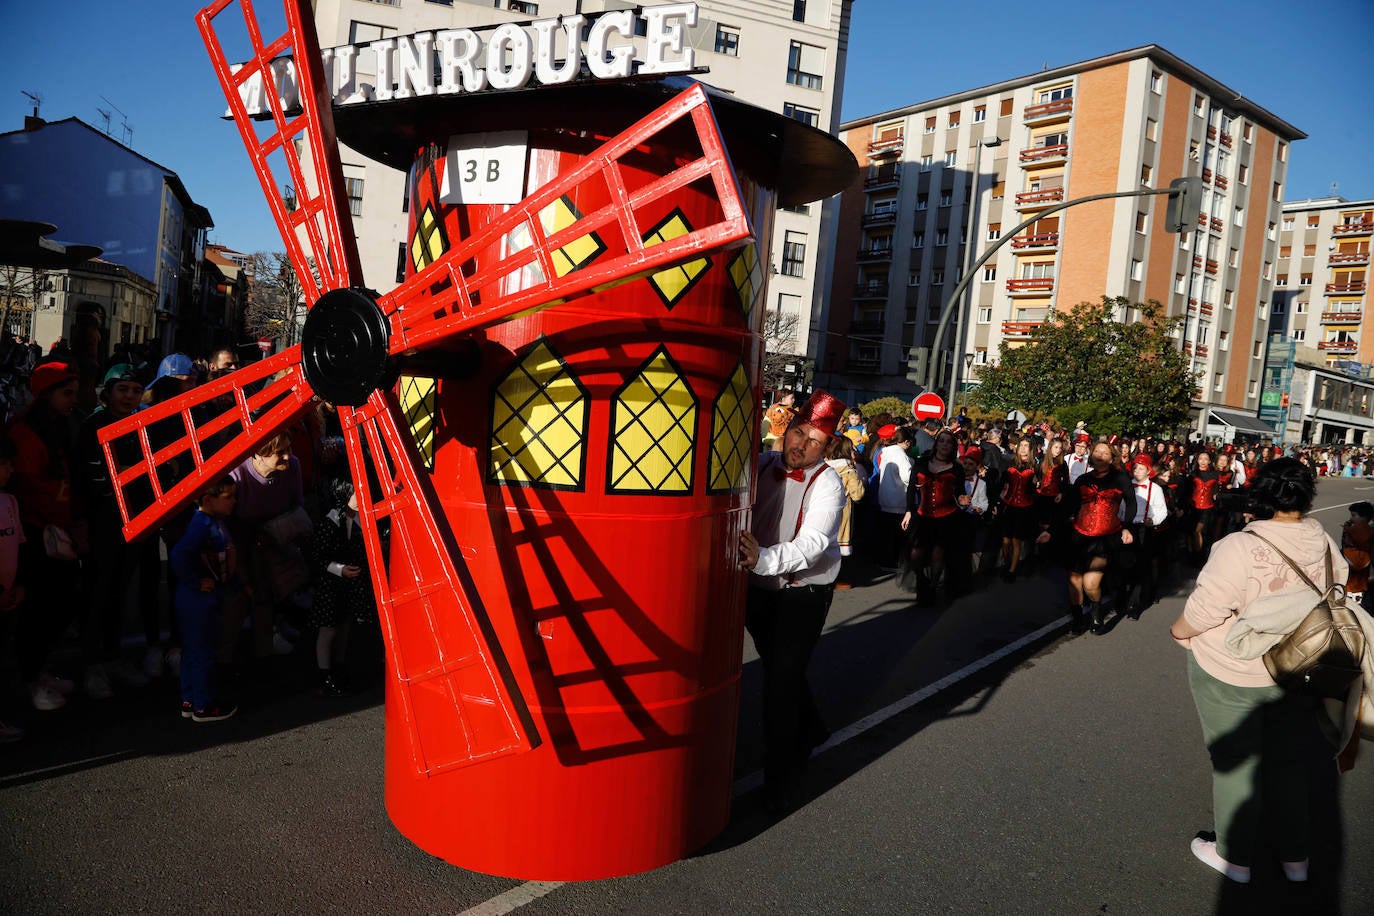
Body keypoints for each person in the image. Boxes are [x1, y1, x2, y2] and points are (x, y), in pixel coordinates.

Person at [1170, 457, 1343, 885]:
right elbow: (1339, 590)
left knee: (1234, 762)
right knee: (1288, 762)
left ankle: (1234, 856)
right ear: (1305, 497)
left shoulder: (1238, 547)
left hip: (1235, 669)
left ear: (1259, 496)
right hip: (1297, 667)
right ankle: (1295, 857)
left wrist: (1180, 633)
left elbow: (1204, 610)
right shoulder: (1322, 542)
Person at [737, 390, 846, 813]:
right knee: (782, 668)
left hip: (803, 593)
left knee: (779, 684)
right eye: (798, 433)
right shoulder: (763, 464)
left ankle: (779, 779)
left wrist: (763, 558)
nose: (800, 444)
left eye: (814, 441)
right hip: (757, 587)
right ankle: (814, 727)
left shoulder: (829, 483)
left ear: (828, 446)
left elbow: (816, 543)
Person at [9, 361, 86, 711]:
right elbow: (28, 487)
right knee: (39, 611)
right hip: (36, 533)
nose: (73, 399)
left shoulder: (59, 425)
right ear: (46, 395)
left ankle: (37, 671)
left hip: (56, 530)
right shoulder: (25, 434)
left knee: (60, 604)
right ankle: (28, 680)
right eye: (66, 393)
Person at [1041, 441, 1133, 635]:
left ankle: (1096, 613)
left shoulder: (1120, 478)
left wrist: (1127, 527)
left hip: (1105, 538)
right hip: (1078, 536)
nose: (1100, 454)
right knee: (1074, 580)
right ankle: (1077, 620)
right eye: (1097, 450)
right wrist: (1051, 530)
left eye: (1105, 452)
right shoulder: (1083, 479)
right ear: (1092, 455)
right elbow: (1067, 506)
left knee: (1091, 584)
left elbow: (1131, 503)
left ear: (1111, 457)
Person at [170, 477, 242, 722]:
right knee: (203, 652)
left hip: (196, 599)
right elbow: (179, 555)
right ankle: (203, 705)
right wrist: (196, 582)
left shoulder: (208, 521)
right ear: (209, 500)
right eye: (229, 497)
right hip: (198, 601)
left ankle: (190, 699)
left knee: (193, 651)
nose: (234, 501)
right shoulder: (202, 525)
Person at [309, 478, 376, 695]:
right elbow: (317, 556)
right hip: (331, 584)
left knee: (345, 625)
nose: (362, 497)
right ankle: (323, 674)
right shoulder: (330, 522)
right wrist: (340, 569)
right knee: (328, 629)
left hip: (350, 583)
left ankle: (338, 666)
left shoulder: (357, 519)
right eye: (357, 493)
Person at [824, 435, 866, 590]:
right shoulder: (848, 470)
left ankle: (824, 577)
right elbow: (858, 494)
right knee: (842, 546)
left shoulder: (823, 466)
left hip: (824, 510)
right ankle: (840, 579)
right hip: (842, 513)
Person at [1342, 501, 1374, 609]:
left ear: (1364, 517)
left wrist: (1347, 530)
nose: (1351, 519)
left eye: (1354, 515)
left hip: (1352, 585)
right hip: (1364, 582)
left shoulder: (1358, 530)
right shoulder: (1369, 532)